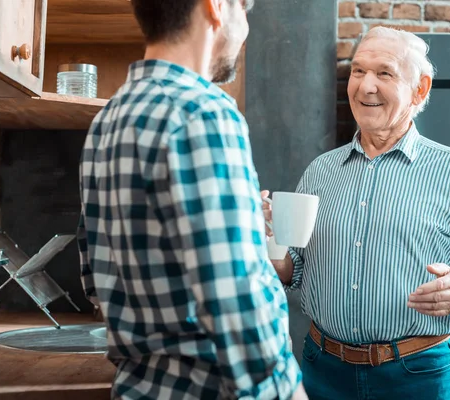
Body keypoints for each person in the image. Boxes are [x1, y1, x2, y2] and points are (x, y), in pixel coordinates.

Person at [263, 26, 450, 400]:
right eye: (358, 71)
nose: (365, 86)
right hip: (322, 368)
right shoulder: (321, 171)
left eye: (384, 73)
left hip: (417, 374)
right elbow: (296, 267)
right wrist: (268, 242)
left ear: (420, 89)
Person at [77, 0, 306, 398]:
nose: (246, 28)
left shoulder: (108, 117)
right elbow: (237, 301)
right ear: (217, 6)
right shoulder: (204, 112)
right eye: (245, 9)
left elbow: (95, 279)